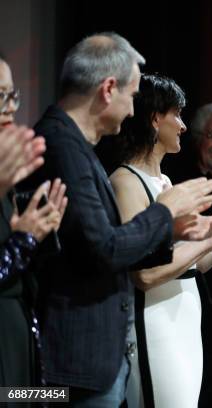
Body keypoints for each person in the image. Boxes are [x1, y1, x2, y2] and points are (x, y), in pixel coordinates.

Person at [20, 33, 212, 406]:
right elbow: (105, 249)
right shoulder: (63, 147)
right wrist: (165, 211)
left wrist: (187, 230)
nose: (132, 111)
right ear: (108, 89)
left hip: (94, 362)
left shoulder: (77, 149)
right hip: (76, 367)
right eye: (131, 95)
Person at [109, 74, 212, 408]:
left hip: (183, 323)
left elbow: (190, 264)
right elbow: (144, 275)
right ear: (156, 118)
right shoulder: (126, 182)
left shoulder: (166, 181)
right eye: (178, 115)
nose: (183, 126)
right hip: (155, 326)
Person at [0, 55, 67, 395]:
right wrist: (23, 239)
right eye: (0, 97)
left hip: (20, 331)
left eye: (12, 96)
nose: (9, 108)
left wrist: (40, 228)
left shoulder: (10, 176)